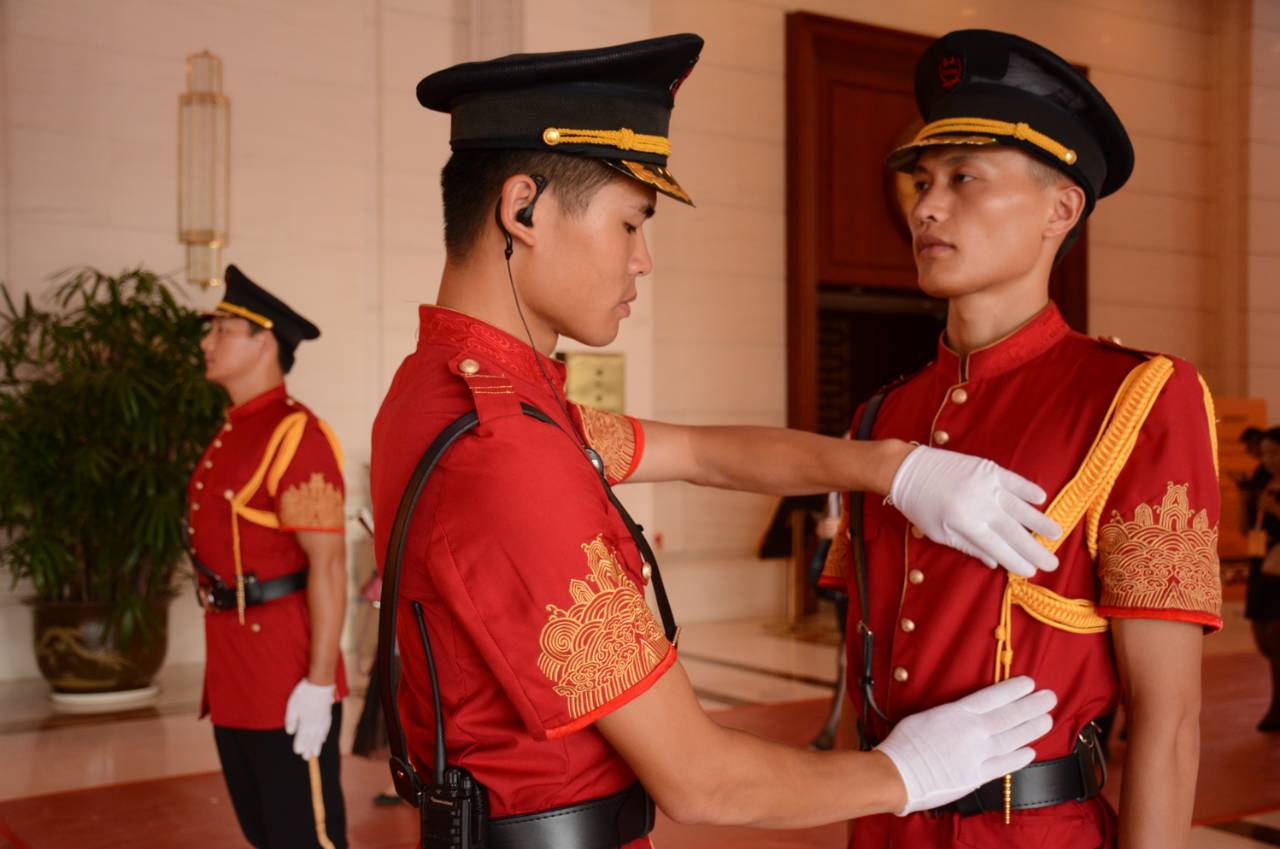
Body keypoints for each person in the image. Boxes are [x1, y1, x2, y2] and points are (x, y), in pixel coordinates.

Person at [370, 35, 1063, 848]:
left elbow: (700, 453)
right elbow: (700, 779)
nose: (643, 259)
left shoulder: (448, 388)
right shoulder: (506, 450)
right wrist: (907, 771)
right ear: (523, 208)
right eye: (630, 221)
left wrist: (890, 464)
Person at [820, 29, 1223, 849]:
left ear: (1060, 208)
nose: (926, 206)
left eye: (965, 178)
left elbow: (1169, 719)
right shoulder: (879, 420)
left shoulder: (1135, 397)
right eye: (923, 181)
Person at [188, 265, 349, 849]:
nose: (207, 343)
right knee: (263, 832)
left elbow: (329, 567)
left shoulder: (294, 435)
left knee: (306, 837)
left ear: (265, 341)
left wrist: (317, 682)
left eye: (222, 329)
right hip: (233, 668)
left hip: (285, 673)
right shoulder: (233, 432)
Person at [1247, 427, 1280, 731]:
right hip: (1262, 563)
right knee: (1263, 635)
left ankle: (1276, 707)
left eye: (1274, 452)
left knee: (1275, 634)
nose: (1268, 459)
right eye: (1265, 452)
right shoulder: (1262, 478)